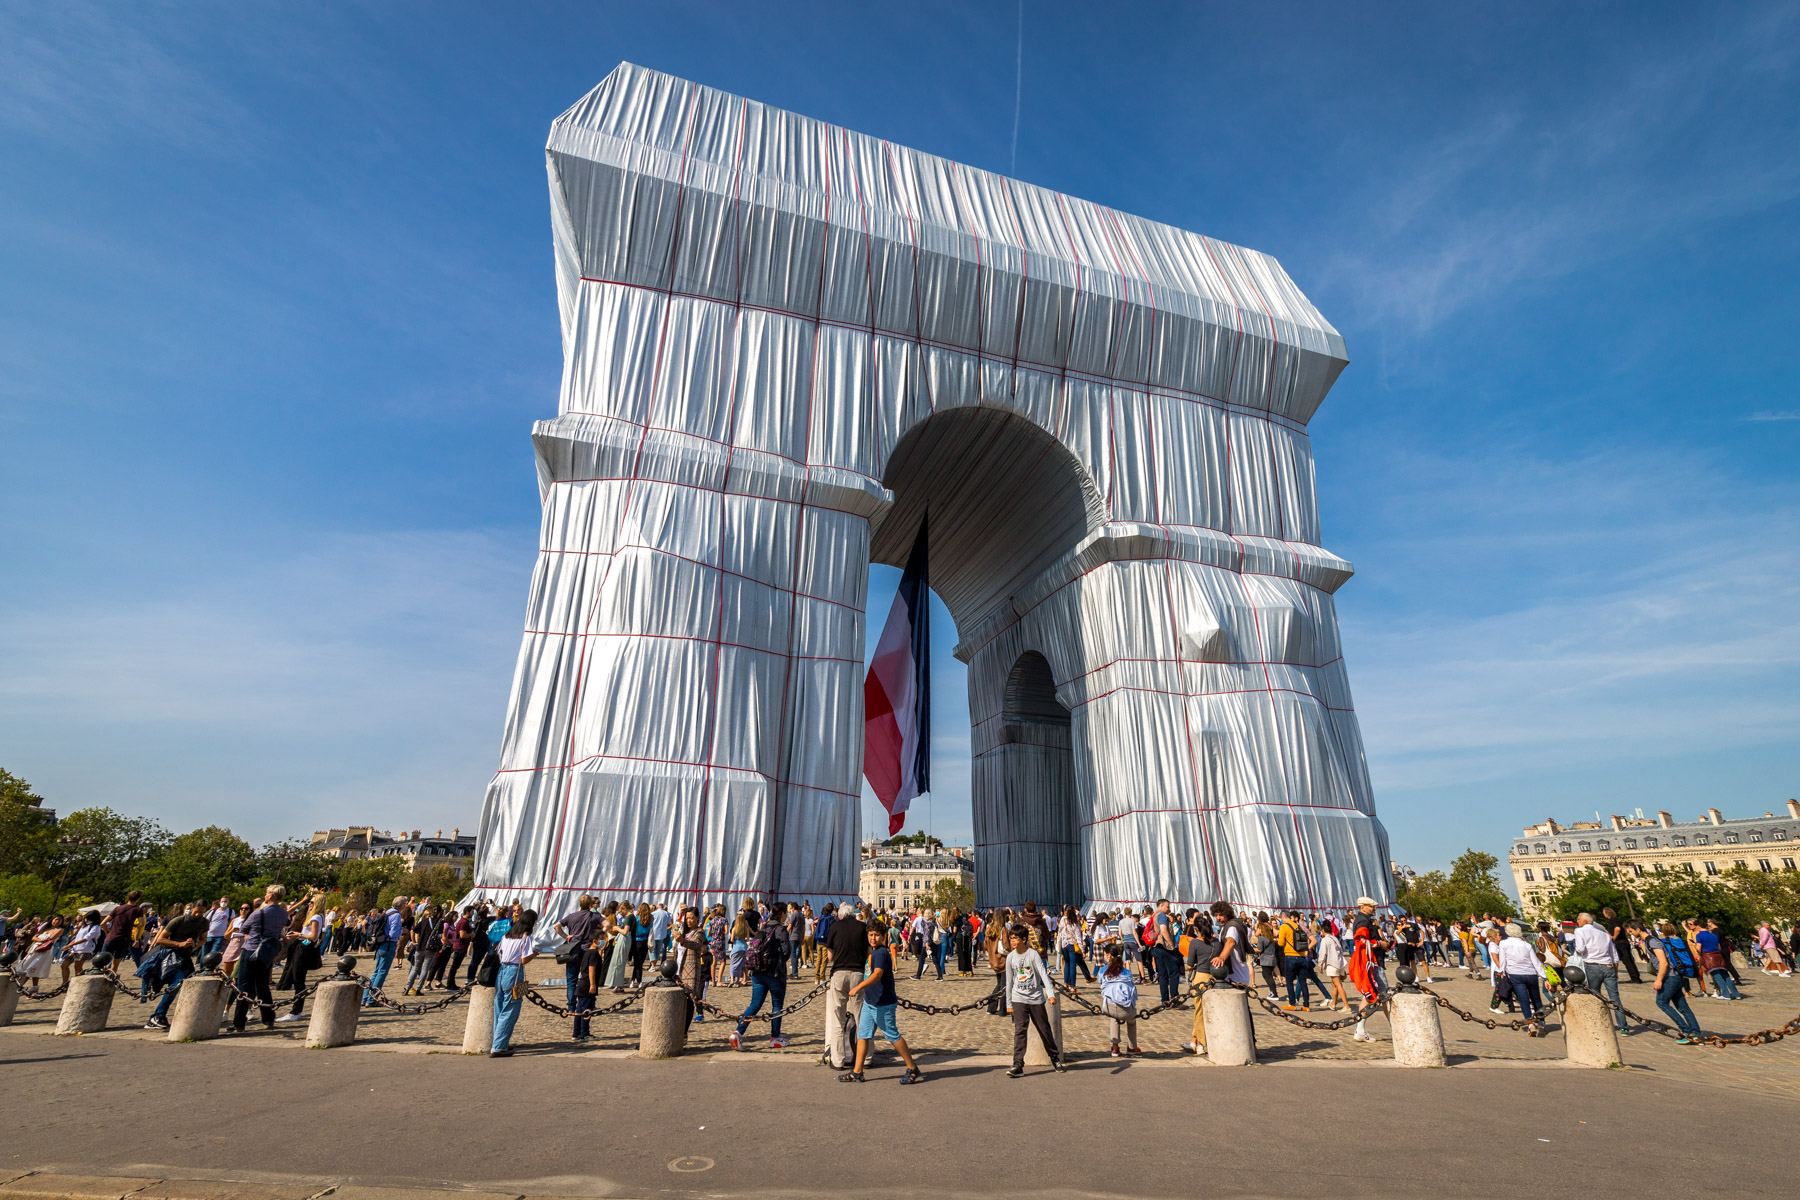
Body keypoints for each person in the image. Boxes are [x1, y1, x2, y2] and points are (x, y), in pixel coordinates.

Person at [838, 920, 923, 1084]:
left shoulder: (882, 953)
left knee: (892, 1035)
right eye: (871, 935)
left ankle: (912, 1067)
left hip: (883, 1003)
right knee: (862, 1035)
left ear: (884, 936)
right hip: (870, 1002)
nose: (873, 938)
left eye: (877, 935)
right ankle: (857, 1072)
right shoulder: (874, 952)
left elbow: (877, 974)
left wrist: (857, 988)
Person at [1004, 923, 1062, 1077]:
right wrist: (1008, 1004)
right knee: (1020, 1031)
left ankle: (1054, 1057)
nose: (1013, 942)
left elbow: (1043, 974)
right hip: (1018, 998)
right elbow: (1009, 982)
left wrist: (1050, 994)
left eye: (1016, 939)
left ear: (1024, 939)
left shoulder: (1033, 954)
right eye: (1011, 939)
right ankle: (1017, 1063)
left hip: (1036, 998)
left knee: (1044, 1029)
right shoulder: (1010, 957)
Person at [731, 902, 791, 1051]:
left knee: (755, 1004)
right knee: (777, 1005)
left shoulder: (763, 927)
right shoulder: (780, 929)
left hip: (758, 971)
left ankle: (738, 1032)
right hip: (775, 973)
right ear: (782, 913)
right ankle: (775, 1037)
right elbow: (786, 951)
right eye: (786, 913)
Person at [231, 884, 291, 1033]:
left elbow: (244, 928)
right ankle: (268, 1018)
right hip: (267, 952)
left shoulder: (259, 913)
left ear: (270, 896)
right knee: (263, 986)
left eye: (266, 893)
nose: (265, 895)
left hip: (251, 949)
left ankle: (239, 1022)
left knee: (244, 987)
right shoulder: (284, 913)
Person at [144, 901, 209, 1031]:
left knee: (180, 985)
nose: (197, 914)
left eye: (201, 912)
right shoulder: (179, 920)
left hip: (185, 957)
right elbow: (161, 939)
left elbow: (203, 939)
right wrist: (179, 944)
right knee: (176, 983)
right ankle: (157, 1016)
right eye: (196, 911)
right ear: (191, 909)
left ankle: (161, 1015)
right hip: (170, 955)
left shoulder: (204, 922)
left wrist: (195, 944)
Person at [1634, 919, 1702, 1042]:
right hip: (1677, 974)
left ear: (1638, 929)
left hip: (1669, 976)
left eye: (1631, 931)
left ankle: (1686, 1031)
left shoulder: (1654, 941)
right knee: (1682, 1006)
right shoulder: (1666, 941)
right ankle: (1695, 1032)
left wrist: (1659, 980)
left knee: (1662, 1002)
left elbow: (1663, 962)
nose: (1630, 933)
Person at [822, 902, 868, 1070]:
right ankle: (866, 1058)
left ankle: (838, 1060)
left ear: (840, 915)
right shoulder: (862, 927)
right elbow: (868, 952)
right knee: (862, 1018)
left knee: (838, 1019)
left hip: (839, 973)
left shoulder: (835, 926)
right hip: (858, 973)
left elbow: (830, 956)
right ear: (854, 914)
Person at [488, 909, 537, 1057]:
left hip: (501, 970)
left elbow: (499, 953)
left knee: (500, 1007)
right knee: (510, 1009)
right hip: (514, 971)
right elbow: (523, 959)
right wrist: (535, 954)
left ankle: (500, 1042)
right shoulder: (525, 938)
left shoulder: (507, 935)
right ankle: (498, 1046)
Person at [1571, 911, 1628, 1033]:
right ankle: (1623, 1026)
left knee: (1595, 995)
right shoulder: (1604, 934)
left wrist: (1577, 949)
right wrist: (1615, 970)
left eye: (1578, 919)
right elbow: (1614, 955)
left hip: (1592, 965)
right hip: (1607, 965)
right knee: (1614, 996)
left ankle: (1600, 1022)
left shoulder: (1579, 931)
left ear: (1585, 921)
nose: (1577, 921)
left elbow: (1581, 949)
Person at [1493, 922, 1549, 1036]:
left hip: (1515, 974)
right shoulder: (1526, 945)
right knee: (1536, 1000)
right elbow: (1536, 962)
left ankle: (1530, 1023)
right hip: (1530, 974)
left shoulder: (1504, 944)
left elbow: (1503, 960)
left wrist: (1502, 971)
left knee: (1524, 1000)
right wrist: (1544, 977)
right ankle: (1541, 1022)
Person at [554, 895, 599, 1009]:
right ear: (590, 905)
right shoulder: (594, 916)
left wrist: (566, 936)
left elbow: (556, 926)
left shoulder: (571, 916)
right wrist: (598, 934)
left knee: (571, 979)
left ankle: (571, 1006)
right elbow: (607, 925)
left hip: (573, 950)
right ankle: (586, 1002)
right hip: (587, 950)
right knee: (587, 977)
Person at [361, 896, 405, 1005]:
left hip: (381, 944)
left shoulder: (387, 912)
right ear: (401, 905)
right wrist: (401, 931)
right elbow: (393, 933)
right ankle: (372, 999)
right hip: (389, 944)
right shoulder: (396, 915)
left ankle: (365, 997)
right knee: (382, 972)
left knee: (376, 972)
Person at [1097, 947, 1140, 1057]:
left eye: (1105, 954)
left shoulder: (1103, 971)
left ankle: (1115, 1048)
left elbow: (1101, 984)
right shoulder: (1127, 972)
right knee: (1131, 1021)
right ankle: (1132, 1047)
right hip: (1127, 1008)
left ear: (1109, 955)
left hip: (1110, 1006)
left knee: (1114, 1018)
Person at [1692, 921, 1741, 999]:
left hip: (1707, 956)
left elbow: (1699, 948)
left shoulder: (1699, 935)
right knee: (1725, 975)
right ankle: (1736, 994)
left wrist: (1695, 946)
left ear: (1698, 926)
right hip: (1718, 955)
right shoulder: (1713, 935)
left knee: (1717, 975)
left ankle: (1726, 994)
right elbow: (1719, 947)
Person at [101, 891, 147, 967]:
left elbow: (102, 923)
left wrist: (107, 931)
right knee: (116, 959)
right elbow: (141, 923)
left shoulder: (117, 908)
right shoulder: (137, 910)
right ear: (138, 899)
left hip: (111, 937)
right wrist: (134, 925)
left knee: (103, 960)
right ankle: (112, 975)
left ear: (128, 897)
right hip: (124, 938)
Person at [571, 927, 602, 1042]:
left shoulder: (587, 952)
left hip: (581, 984)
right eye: (601, 939)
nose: (602, 941)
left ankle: (576, 1032)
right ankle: (584, 1032)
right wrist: (593, 984)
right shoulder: (593, 953)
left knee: (579, 1009)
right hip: (587, 984)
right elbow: (591, 969)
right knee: (586, 1010)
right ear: (595, 940)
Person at [1057, 905, 1094, 986]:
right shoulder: (1074, 923)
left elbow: (1059, 931)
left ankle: (1066, 983)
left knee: (1067, 964)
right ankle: (1073, 986)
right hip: (1072, 945)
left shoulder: (1062, 920)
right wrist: (1082, 951)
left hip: (1064, 945)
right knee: (1073, 966)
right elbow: (1078, 938)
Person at [64, 910, 104, 976]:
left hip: (84, 949)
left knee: (77, 968)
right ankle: (64, 983)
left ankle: (79, 983)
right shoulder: (84, 926)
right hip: (75, 949)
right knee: (64, 965)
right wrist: (69, 945)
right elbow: (77, 938)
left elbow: (86, 938)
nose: (84, 920)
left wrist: (71, 944)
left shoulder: (95, 927)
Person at [203, 897, 232, 962]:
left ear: (228, 902)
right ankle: (201, 969)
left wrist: (229, 936)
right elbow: (206, 920)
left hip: (220, 936)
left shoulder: (230, 911)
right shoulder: (214, 911)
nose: (223, 903)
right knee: (204, 954)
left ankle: (209, 969)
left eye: (225, 901)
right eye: (222, 901)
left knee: (213, 954)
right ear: (219, 902)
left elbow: (231, 923)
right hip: (209, 935)